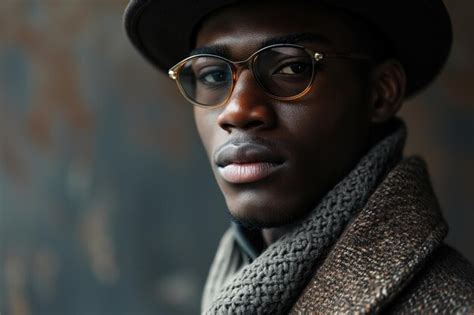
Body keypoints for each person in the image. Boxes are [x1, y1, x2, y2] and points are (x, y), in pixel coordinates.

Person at [124, 0, 474, 313]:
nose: (237, 109)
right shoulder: (230, 280)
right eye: (213, 75)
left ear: (381, 93)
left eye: (292, 69)